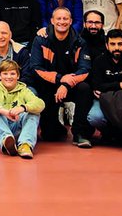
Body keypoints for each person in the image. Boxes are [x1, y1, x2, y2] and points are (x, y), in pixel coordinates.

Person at [27, 8, 93, 146]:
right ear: (52, 21)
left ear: (71, 21)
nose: (62, 22)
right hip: (49, 85)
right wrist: (59, 79)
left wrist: (66, 84)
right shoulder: (40, 40)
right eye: (58, 19)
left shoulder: (80, 42)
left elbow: (85, 69)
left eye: (65, 19)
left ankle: (79, 132)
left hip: (72, 84)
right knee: (50, 136)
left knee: (85, 88)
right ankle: (56, 128)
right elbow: (35, 68)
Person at [87, 29, 122, 147]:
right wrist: (121, 85)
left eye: (120, 44)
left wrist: (109, 87)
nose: (116, 47)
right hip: (105, 100)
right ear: (107, 46)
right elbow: (97, 86)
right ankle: (109, 133)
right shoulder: (99, 61)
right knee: (94, 117)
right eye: (112, 44)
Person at [0, 59, 45, 158]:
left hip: (17, 129)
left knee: (34, 112)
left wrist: (23, 108)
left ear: (18, 76)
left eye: (12, 74)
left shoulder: (24, 90)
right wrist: (3, 111)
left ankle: (25, 145)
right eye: (5, 74)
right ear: (0, 76)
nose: (9, 77)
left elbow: (40, 104)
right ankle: (6, 139)